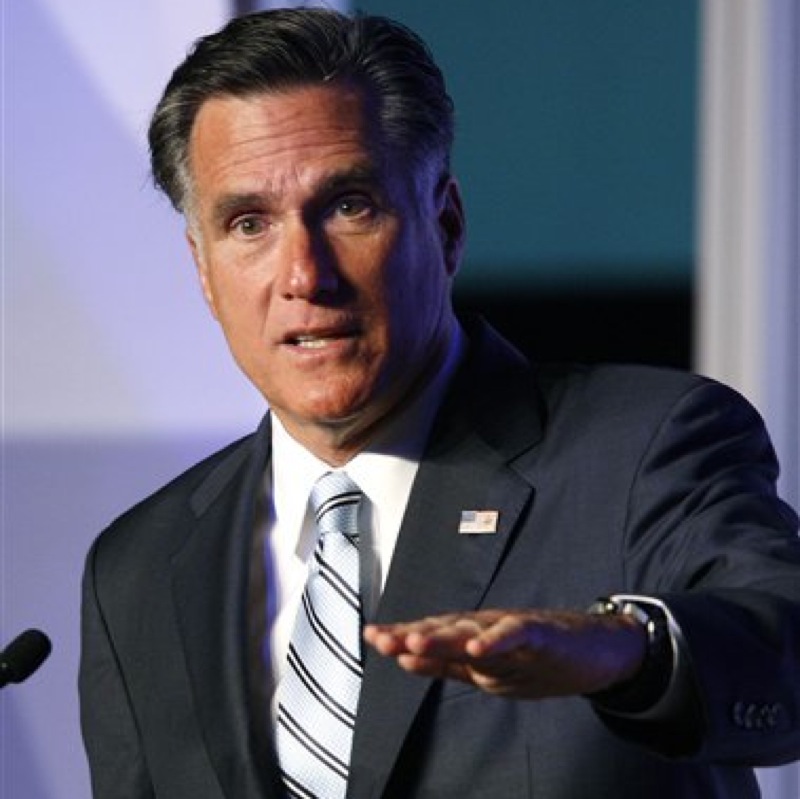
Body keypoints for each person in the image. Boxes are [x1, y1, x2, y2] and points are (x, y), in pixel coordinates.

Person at [79, 9, 800, 799]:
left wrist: (632, 650)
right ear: (204, 270)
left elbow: (782, 647)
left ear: (446, 223)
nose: (303, 274)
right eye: (249, 223)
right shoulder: (140, 569)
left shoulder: (643, 449)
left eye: (349, 206)